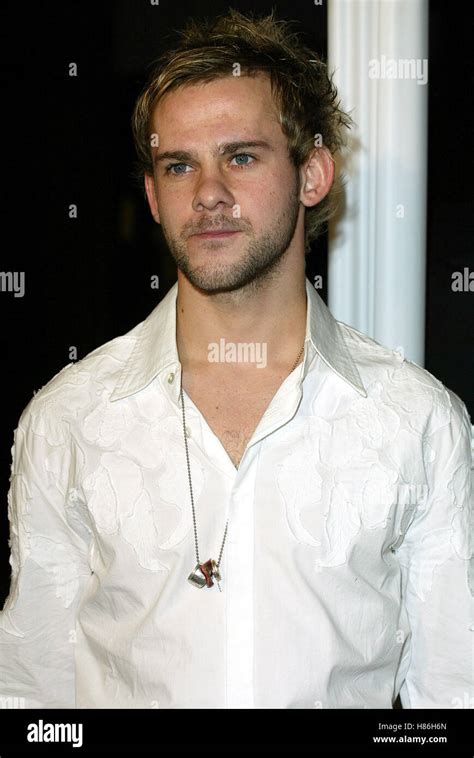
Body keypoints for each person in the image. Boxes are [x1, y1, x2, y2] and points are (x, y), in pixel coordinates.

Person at [0, 8, 471, 709]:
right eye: (179, 164)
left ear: (312, 175)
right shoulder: (68, 420)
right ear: (155, 198)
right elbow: (32, 697)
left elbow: (451, 698)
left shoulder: (418, 424)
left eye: (242, 156)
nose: (209, 193)